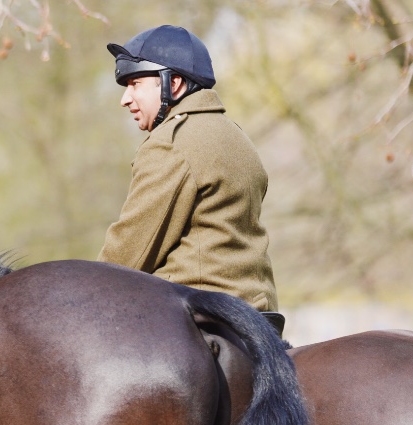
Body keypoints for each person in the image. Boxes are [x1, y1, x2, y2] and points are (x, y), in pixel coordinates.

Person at [99, 25, 282, 333]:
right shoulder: (236, 137)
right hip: (259, 316)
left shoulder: (172, 143)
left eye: (136, 83)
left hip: (195, 320)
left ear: (176, 84)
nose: (125, 99)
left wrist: (83, 290)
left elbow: (128, 253)